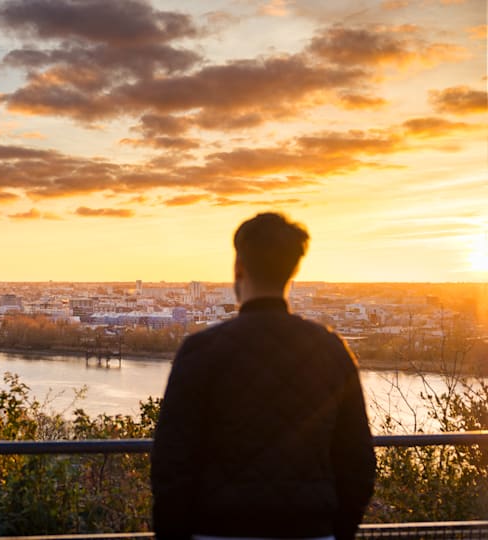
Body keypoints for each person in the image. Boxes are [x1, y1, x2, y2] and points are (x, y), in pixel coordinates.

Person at [151, 212, 375, 540]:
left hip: (218, 531)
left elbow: (171, 463)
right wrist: (335, 532)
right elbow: (357, 462)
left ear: (238, 267)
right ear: (293, 271)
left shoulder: (201, 351)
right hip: (309, 531)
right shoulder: (331, 351)